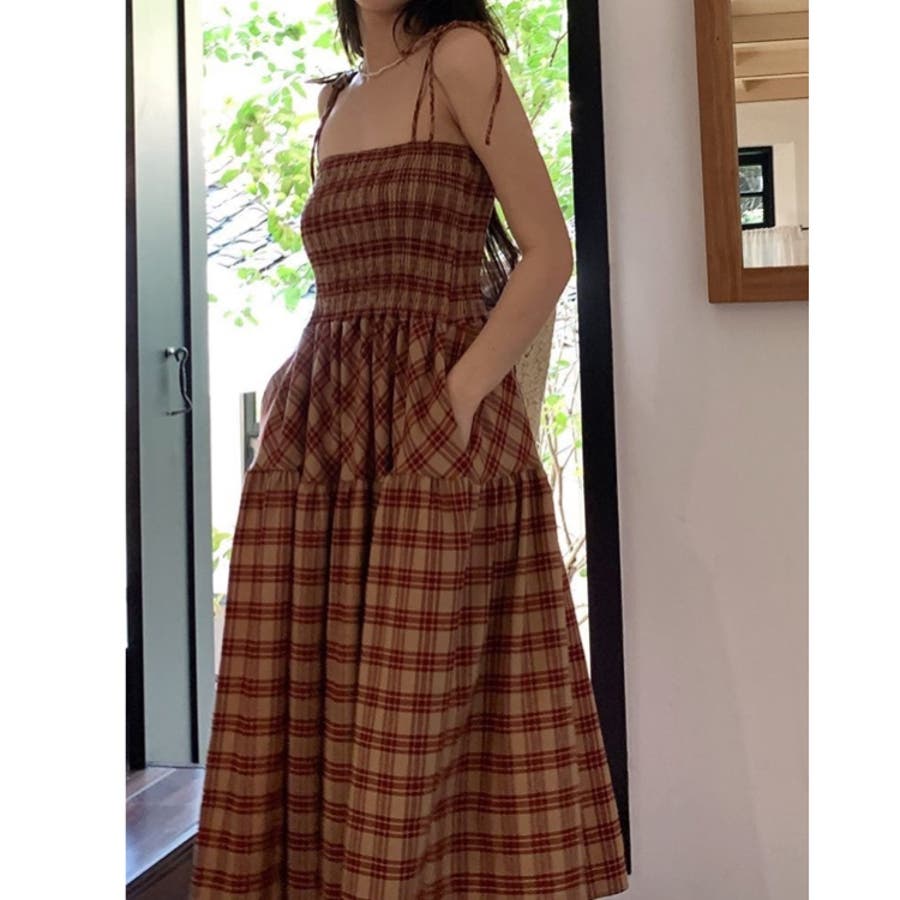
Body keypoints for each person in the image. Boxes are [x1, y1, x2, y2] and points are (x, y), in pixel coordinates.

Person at [191, 2, 630, 897]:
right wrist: (285, 379)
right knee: (321, 695)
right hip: (326, 429)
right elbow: (342, 288)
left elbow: (549, 254)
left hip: (435, 424)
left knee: (425, 713)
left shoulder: (458, 58)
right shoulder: (337, 100)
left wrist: (457, 397)